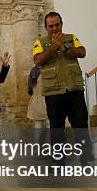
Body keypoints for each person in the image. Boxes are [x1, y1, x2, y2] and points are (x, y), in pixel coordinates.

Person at [32, 11, 92, 162]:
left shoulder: (71, 38)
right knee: (57, 128)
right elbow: (38, 60)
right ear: (46, 27)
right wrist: (54, 47)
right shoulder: (40, 42)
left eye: (57, 25)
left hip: (74, 89)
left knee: (81, 125)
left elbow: (82, 52)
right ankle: (58, 161)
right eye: (50, 26)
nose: (54, 28)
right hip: (54, 92)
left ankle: (86, 158)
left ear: (61, 24)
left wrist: (65, 49)